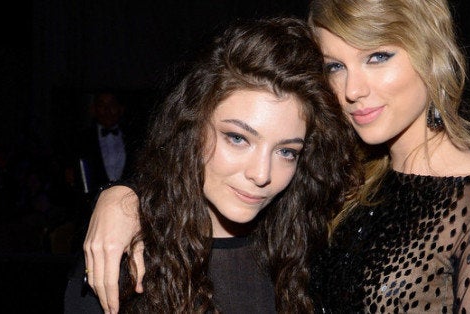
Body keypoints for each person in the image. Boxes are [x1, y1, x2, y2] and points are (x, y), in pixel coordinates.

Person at [83, 0, 470, 313]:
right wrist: (125, 198)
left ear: (431, 53)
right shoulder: (347, 172)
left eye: (378, 56)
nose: (351, 89)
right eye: (335, 66)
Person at [64, 16, 360, 313]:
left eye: (286, 152)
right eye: (238, 138)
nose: (261, 174)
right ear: (191, 128)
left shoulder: (311, 252)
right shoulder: (125, 257)